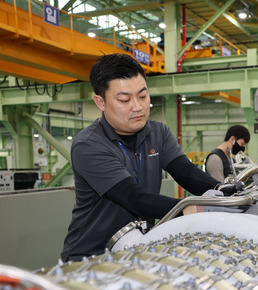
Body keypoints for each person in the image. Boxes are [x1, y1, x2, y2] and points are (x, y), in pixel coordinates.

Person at [62, 53, 234, 262]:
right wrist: (190, 208)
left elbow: (184, 171)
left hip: (135, 249)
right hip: (91, 258)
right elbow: (133, 198)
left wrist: (221, 189)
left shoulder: (157, 132)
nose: (138, 107)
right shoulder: (89, 145)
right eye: (125, 99)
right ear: (100, 102)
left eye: (143, 96)